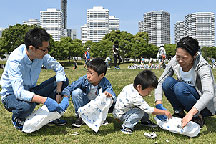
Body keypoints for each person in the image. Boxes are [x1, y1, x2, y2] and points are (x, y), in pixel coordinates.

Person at [0, 28, 69, 130]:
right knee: (26, 107)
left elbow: (59, 68)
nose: (46, 52)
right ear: (32, 48)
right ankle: (18, 117)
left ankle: (52, 115)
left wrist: (58, 93)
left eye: (47, 49)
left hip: (30, 90)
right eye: (44, 49)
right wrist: (45, 100)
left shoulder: (41, 54)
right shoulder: (15, 61)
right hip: (11, 95)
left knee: (63, 81)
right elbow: (19, 92)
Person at [154, 36, 216, 128]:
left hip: (204, 107)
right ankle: (179, 112)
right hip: (185, 95)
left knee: (179, 87)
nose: (180, 60)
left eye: (184, 58)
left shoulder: (203, 66)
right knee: (167, 82)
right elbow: (161, 81)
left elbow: (209, 93)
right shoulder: (175, 60)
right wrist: (158, 104)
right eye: (178, 56)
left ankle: (197, 116)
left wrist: (191, 113)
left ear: (194, 55)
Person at [62, 57, 117, 128]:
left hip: (98, 106)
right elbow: (70, 87)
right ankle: (81, 117)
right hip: (86, 104)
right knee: (76, 92)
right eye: (87, 72)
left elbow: (110, 91)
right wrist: (65, 96)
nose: (88, 76)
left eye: (91, 73)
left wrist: (108, 94)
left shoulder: (105, 82)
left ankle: (100, 117)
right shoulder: (84, 79)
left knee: (109, 97)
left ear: (101, 75)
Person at [113, 70, 172, 134]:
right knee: (140, 111)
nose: (149, 93)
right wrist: (164, 112)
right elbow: (150, 110)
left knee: (142, 106)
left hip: (120, 111)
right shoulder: (135, 97)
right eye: (149, 91)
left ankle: (145, 121)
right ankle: (127, 127)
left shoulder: (129, 87)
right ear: (139, 87)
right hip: (120, 115)